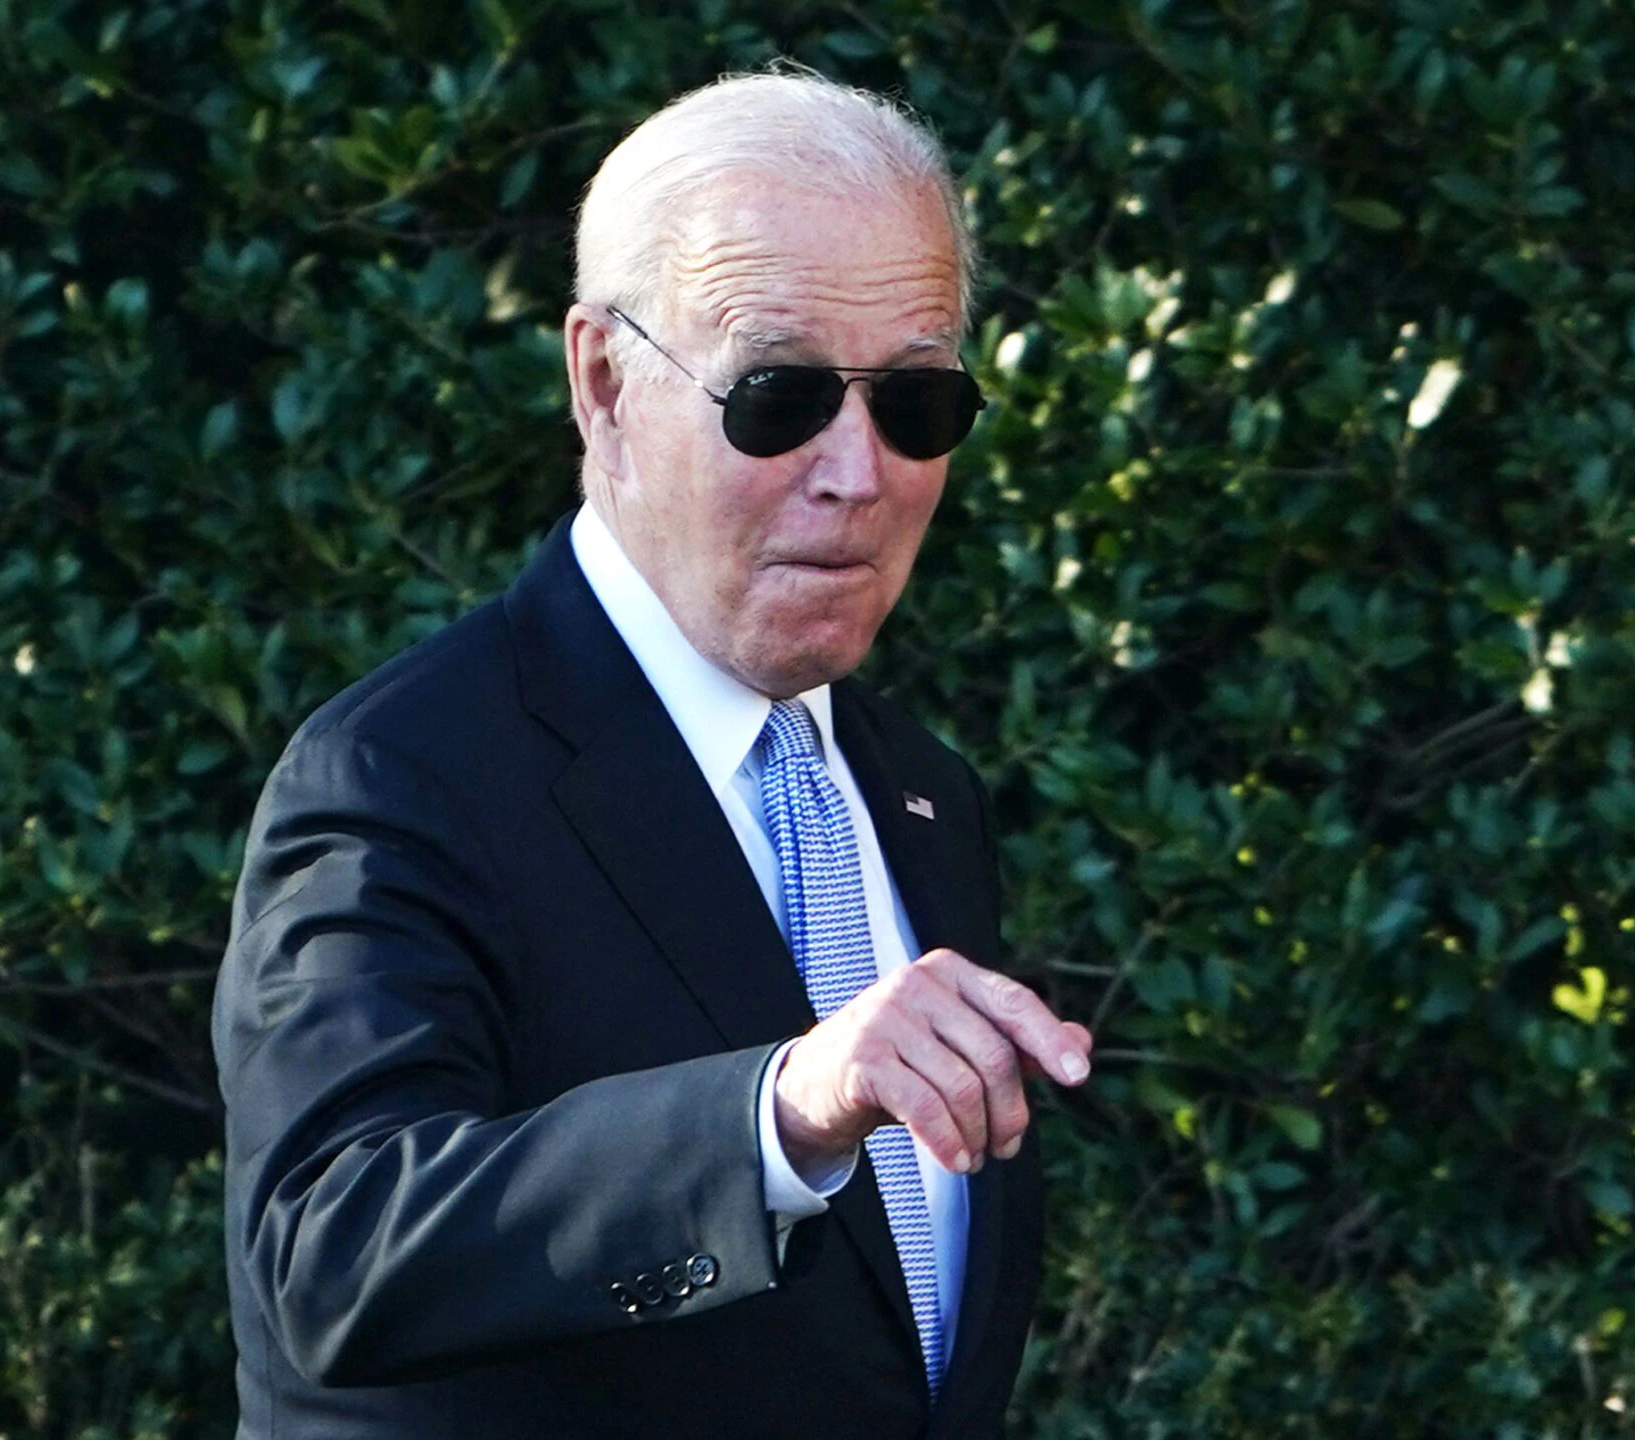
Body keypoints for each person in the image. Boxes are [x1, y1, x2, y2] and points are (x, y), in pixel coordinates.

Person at [212, 70, 1094, 1440]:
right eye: (779, 395)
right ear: (605, 380)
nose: (859, 472)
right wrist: (777, 1113)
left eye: (917, 403)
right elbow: (335, 1251)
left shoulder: (922, 794)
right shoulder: (402, 773)